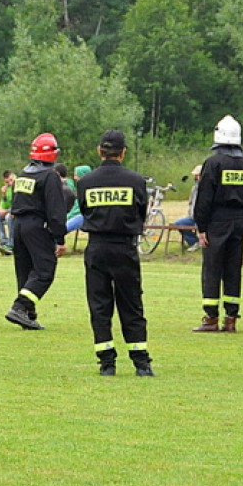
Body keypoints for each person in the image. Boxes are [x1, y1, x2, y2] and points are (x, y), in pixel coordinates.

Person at [76, 129, 154, 377]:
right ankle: (141, 363)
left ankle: (106, 362)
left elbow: (84, 211)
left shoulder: (86, 182)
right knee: (131, 304)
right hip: (125, 247)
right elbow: (141, 213)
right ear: (123, 153)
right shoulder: (136, 181)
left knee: (99, 305)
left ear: (100, 151)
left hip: (97, 247)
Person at [191, 115, 243, 333]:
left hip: (217, 221)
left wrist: (201, 227)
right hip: (239, 221)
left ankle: (211, 318)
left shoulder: (213, 163)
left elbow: (204, 197)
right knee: (233, 269)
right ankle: (231, 318)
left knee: (212, 268)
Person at [5, 133, 66, 330]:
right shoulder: (50, 176)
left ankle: (27, 315)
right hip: (36, 226)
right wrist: (59, 238)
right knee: (44, 270)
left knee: (24, 270)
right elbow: (56, 211)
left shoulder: (23, 174)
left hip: (18, 225)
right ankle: (20, 307)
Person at [172, 165, 201, 249]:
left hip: (204, 218)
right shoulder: (194, 188)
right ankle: (194, 242)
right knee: (179, 223)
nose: (195, 177)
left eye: (197, 175)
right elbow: (191, 202)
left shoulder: (209, 188)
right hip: (193, 217)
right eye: (195, 175)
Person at [0, 170, 14, 253]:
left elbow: (20, 203)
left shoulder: (18, 186)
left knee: (9, 217)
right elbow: (4, 206)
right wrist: (4, 194)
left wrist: (8, 211)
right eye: (7, 182)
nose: (9, 183)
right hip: (11, 210)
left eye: (11, 180)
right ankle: (3, 241)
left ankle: (11, 244)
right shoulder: (8, 188)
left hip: (19, 211)